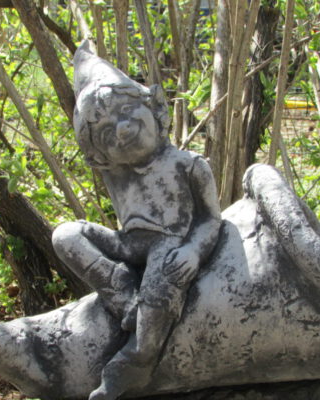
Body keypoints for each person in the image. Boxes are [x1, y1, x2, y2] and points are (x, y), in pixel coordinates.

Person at [52, 41, 222, 400]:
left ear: (156, 106)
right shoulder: (117, 171)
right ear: (101, 156)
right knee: (65, 235)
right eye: (106, 134)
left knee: (162, 283)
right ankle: (122, 294)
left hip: (168, 242)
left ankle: (136, 359)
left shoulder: (188, 165)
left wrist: (193, 251)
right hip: (127, 244)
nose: (122, 130)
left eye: (127, 111)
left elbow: (211, 219)